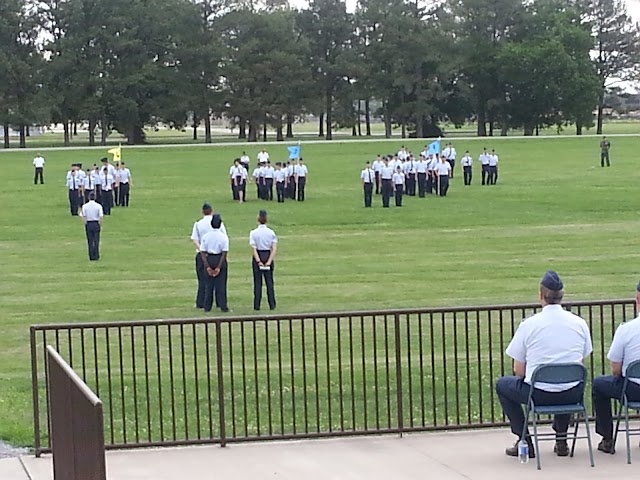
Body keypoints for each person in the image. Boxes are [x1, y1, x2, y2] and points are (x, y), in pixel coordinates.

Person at [496, 271, 592, 459]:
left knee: (503, 385)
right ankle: (561, 438)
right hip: (572, 394)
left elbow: (518, 370)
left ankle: (525, 440)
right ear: (562, 296)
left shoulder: (529, 325)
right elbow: (580, 363)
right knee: (565, 380)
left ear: (541, 295)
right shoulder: (580, 324)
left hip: (538, 394)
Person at [592, 281, 640, 454]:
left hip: (633, 389)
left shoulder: (626, 330)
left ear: (637, 300)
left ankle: (607, 438)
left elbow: (616, 369)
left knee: (599, 384)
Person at [191, 203, 227, 309]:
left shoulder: (198, 224)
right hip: (217, 254)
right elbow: (224, 236)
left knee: (202, 280)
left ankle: (202, 302)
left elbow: (195, 239)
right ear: (212, 210)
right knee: (219, 282)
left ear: (202, 212)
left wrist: (202, 248)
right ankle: (220, 302)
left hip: (202, 254)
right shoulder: (218, 223)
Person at [199, 214, 230, 313]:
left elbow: (202, 252)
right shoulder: (223, 237)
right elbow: (224, 252)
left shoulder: (206, 236)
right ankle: (223, 306)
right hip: (219, 258)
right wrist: (219, 267)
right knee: (221, 285)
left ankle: (207, 306)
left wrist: (207, 266)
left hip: (209, 258)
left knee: (208, 285)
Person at [250, 209, 278, 311]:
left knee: (257, 283)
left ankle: (257, 305)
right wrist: (269, 261)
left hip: (258, 255)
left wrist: (258, 261)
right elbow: (274, 248)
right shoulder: (271, 233)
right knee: (269, 282)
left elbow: (253, 248)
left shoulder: (253, 233)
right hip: (267, 255)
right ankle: (272, 304)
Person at [80, 193, 104, 261]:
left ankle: (91, 256)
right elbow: (101, 216)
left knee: (90, 241)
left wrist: (85, 223)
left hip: (89, 223)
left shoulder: (85, 206)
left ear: (88, 197)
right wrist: (100, 224)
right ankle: (96, 255)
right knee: (96, 240)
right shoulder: (98, 206)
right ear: (95, 197)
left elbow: (82, 215)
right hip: (96, 223)